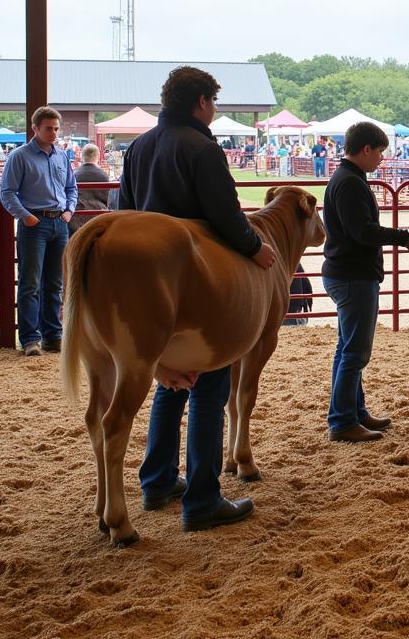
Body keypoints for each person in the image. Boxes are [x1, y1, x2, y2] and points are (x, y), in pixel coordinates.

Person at [120, 65, 277, 532]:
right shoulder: (202, 147)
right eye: (214, 103)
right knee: (210, 383)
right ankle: (203, 498)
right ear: (201, 103)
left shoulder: (139, 146)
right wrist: (256, 248)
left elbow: (124, 211)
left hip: (148, 281)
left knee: (170, 381)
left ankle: (157, 480)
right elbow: (225, 215)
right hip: (199, 278)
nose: (214, 111)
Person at [322, 122, 409, 442]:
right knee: (355, 352)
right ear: (366, 149)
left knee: (347, 348)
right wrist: (403, 237)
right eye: (379, 151)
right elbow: (362, 232)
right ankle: (342, 421)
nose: (381, 158)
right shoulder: (351, 183)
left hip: (346, 273)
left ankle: (353, 411)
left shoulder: (347, 179)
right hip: (354, 275)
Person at [0, 105, 78, 356]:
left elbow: (71, 188)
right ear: (35, 128)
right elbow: (7, 192)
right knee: (30, 283)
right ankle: (30, 339)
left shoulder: (62, 156)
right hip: (35, 224)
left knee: (55, 283)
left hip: (59, 222)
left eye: (56, 128)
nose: (54, 133)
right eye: (49, 128)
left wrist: (69, 211)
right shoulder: (19, 156)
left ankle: (52, 336)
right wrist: (26, 217)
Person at [68, 143, 113, 235]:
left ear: (82, 156)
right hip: (98, 218)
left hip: (75, 219)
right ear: (97, 156)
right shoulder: (104, 176)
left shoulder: (73, 174)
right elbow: (107, 200)